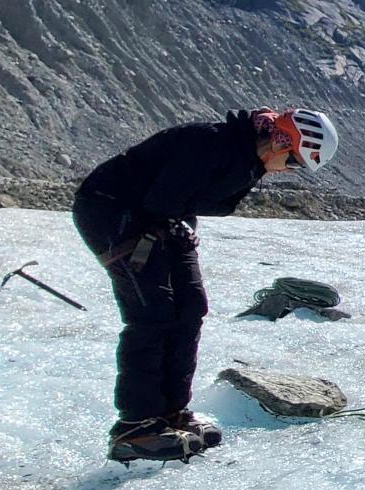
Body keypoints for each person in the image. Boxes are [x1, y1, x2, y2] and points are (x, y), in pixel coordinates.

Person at [73, 107, 338, 462]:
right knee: (152, 314)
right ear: (280, 141)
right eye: (294, 160)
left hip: (163, 219)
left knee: (191, 307)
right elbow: (163, 198)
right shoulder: (211, 143)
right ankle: (135, 426)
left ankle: (170, 413)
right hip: (112, 211)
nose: (291, 169)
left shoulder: (248, 160)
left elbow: (192, 202)